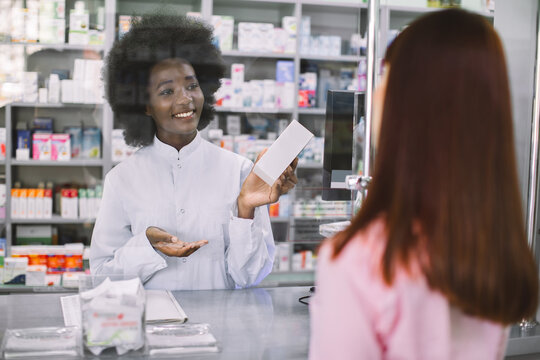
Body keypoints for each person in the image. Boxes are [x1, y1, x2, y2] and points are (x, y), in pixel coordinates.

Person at [310, 9, 539, 359]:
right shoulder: (492, 249)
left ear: (413, 104)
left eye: (385, 77)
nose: (373, 95)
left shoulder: (361, 261)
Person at [90, 12, 298, 290]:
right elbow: (102, 276)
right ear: (145, 106)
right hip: (153, 325)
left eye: (192, 86)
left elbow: (250, 277)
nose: (185, 98)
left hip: (221, 327)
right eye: (166, 92)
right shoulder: (122, 179)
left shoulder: (238, 170)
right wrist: (147, 245)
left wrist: (245, 209)